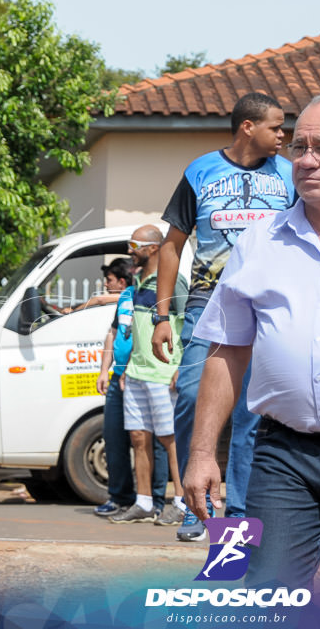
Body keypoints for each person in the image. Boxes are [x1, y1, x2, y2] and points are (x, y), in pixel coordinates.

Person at [183, 91, 320, 605]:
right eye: (299, 147)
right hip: (284, 457)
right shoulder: (258, 241)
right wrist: (203, 453)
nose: (307, 160)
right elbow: (227, 351)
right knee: (266, 602)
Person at [152, 92, 294, 542]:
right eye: (276, 126)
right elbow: (171, 244)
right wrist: (161, 315)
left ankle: (235, 517)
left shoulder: (289, 175)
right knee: (192, 395)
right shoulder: (200, 171)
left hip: (267, 308)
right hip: (206, 302)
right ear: (248, 127)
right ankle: (192, 500)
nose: (283, 135)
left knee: (252, 414)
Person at [109, 225, 188, 525]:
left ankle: (181, 502)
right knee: (139, 437)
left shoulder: (172, 282)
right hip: (137, 372)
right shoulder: (138, 283)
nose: (130, 251)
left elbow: (187, 323)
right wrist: (125, 367)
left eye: (134, 245)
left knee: (171, 439)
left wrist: (181, 367)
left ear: (154, 248)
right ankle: (143, 502)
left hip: (162, 371)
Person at [93, 257, 170, 520]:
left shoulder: (156, 294)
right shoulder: (127, 296)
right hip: (119, 376)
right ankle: (121, 498)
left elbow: (145, 336)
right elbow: (113, 333)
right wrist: (105, 370)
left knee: (157, 440)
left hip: (145, 373)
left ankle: (157, 501)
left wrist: (128, 369)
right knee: (115, 436)